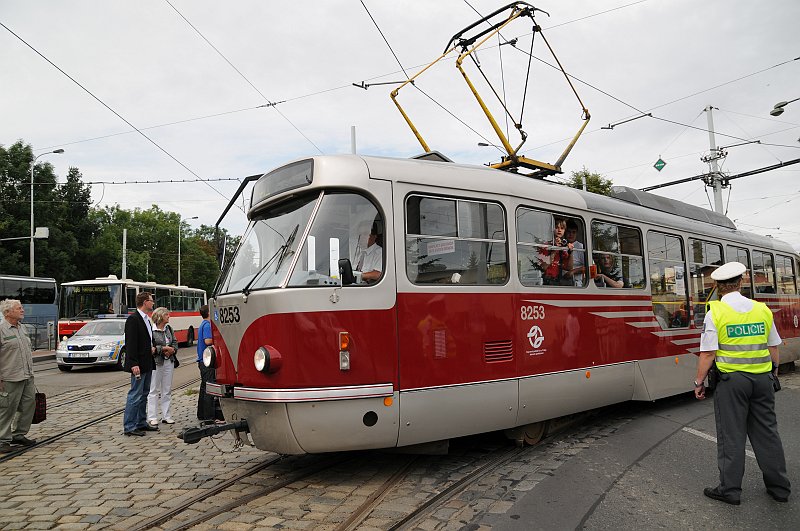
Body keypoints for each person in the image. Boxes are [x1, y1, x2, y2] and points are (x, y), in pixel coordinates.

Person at [694, 261, 790, 505]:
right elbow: (773, 347)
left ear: (717, 286)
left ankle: (730, 490)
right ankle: (779, 488)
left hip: (732, 382)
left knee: (731, 434)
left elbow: (708, 354)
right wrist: (774, 375)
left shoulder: (715, 312)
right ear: (742, 282)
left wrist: (699, 381)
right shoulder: (762, 310)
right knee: (767, 433)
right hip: (762, 379)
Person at [0, 299, 36, 452]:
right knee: (7, 408)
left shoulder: (22, 328)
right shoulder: (1, 329)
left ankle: (19, 434)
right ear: (8, 312)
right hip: (9, 376)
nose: (22, 310)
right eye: (19, 308)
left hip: (27, 375)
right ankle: (2, 440)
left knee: (28, 405)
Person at [122, 292, 157, 436]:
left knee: (144, 393)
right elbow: (130, 344)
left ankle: (141, 422)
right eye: (151, 301)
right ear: (144, 302)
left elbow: (147, 339)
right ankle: (129, 426)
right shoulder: (133, 319)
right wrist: (133, 363)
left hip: (147, 362)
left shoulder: (147, 320)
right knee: (135, 395)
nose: (153, 303)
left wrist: (152, 347)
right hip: (138, 364)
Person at [146, 307, 179, 427]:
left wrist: (172, 350)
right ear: (160, 317)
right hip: (156, 362)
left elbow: (175, 342)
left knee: (167, 389)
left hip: (168, 361)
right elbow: (151, 348)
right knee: (153, 389)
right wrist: (164, 349)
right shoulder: (151, 330)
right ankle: (152, 417)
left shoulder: (169, 329)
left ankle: (167, 416)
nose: (169, 317)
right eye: (166, 315)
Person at [197, 305, 223, 424]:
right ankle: (209, 417)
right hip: (207, 361)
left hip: (202, 360)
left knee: (203, 388)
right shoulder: (207, 325)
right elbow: (207, 341)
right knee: (210, 388)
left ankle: (201, 413)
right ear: (209, 313)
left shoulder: (203, 323)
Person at [539, 218, 573, 286]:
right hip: (547, 281)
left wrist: (570, 252)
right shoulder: (545, 246)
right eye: (557, 227)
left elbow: (569, 267)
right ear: (552, 229)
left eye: (562, 228)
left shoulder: (562, 248)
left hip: (558, 281)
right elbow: (543, 267)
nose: (559, 230)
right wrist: (554, 249)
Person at [564, 220, 585, 286]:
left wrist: (573, 271)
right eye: (569, 232)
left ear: (576, 233)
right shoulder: (560, 245)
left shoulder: (580, 247)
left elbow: (591, 267)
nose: (571, 234)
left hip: (575, 284)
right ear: (564, 232)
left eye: (574, 232)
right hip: (560, 282)